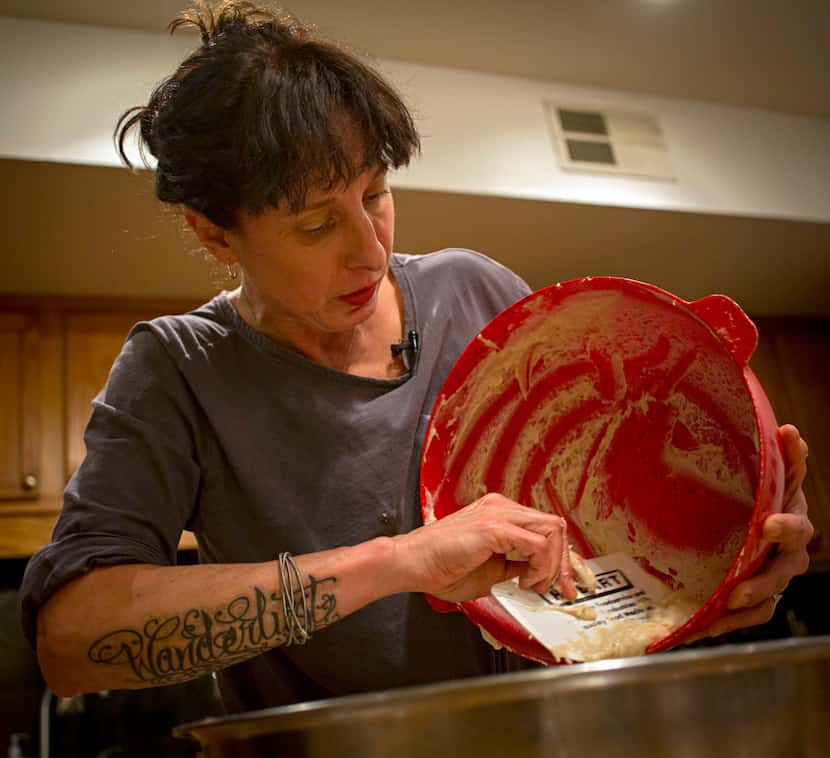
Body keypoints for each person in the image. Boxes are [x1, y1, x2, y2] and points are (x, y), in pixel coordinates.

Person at [20, 0, 812, 715]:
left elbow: (594, 549)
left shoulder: (476, 295)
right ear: (214, 232)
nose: (370, 252)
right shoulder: (178, 372)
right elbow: (70, 644)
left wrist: (727, 566)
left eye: (374, 194)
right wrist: (401, 562)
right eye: (314, 224)